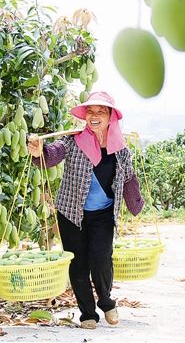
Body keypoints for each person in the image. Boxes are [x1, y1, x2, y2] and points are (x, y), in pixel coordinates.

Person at [27, 91, 144, 330]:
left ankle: (106, 301)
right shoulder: (73, 139)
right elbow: (53, 153)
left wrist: (135, 203)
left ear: (111, 116)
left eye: (101, 111)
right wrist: (40, 151)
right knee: (77, 263)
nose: (94, 115)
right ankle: (87, 313)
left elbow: (129, 177)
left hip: (102, 214)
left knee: (101, 260)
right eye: (90, 111)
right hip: (71, 212)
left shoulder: (120, 149)